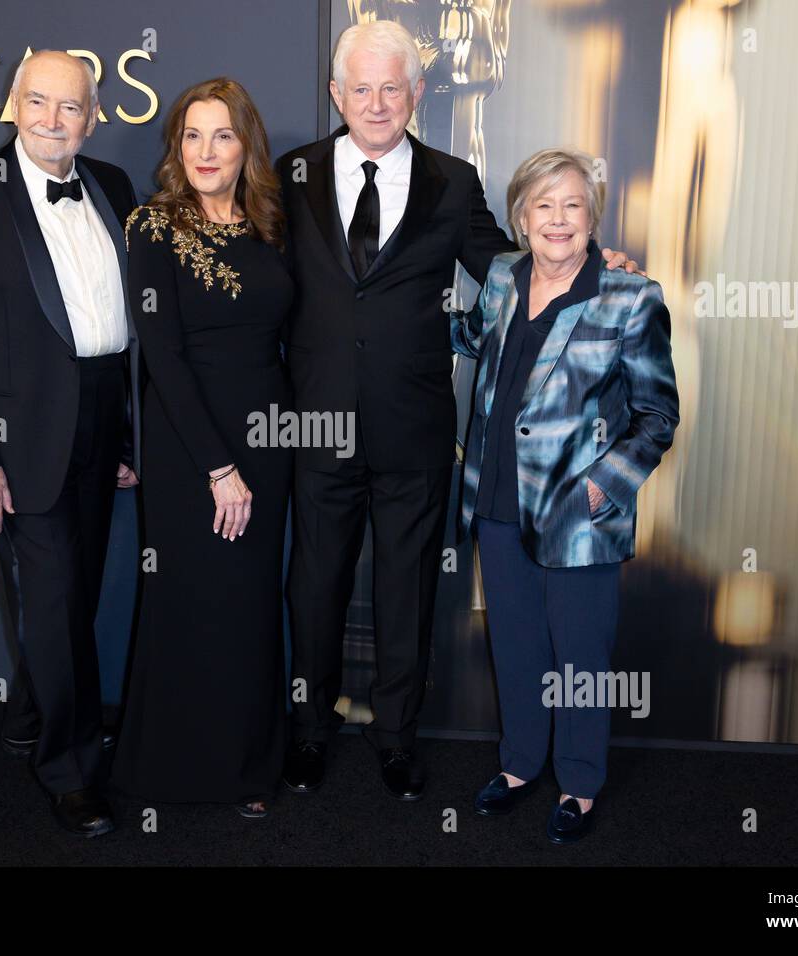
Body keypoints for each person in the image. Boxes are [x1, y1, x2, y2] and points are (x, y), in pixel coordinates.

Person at [275, 20, 638, 800]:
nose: (377, 103)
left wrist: (593, 264)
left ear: (417, 93)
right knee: (313, 589)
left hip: (414, 428)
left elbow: (511, 262)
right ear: (337, 95)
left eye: (392, 87)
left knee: (407, 592)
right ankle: (308, 733)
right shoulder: (292, 173)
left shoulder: (452, 178)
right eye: (361, 88)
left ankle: (397, 741)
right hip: (314, 424)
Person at [0, 50, 141, 838]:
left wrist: (126, 433)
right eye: (38, 103)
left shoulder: (111, 185)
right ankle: (71, 769)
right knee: (51, 601)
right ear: (13, 106)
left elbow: (125, 325)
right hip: (18, 439)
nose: (52, 120)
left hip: (100, 420)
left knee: (71, 594)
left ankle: (39, 710)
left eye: (70, 106)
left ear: (93, 115)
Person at [451, 147, 679, 844]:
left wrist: (597, 492)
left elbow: (657, 416)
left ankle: (579, 782)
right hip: (494, 498)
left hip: (577, 515)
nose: (557, 219)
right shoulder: (499, 277)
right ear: (520, 216)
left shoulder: (630, 295)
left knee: (580, 655)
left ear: (592, 218)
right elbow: (471, 338)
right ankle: (520, 765)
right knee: (517, 644)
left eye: (573, 205)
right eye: (543, 205)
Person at [111, 78, 294, 818]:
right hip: (192, 442)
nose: (206, 151)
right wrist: (219, 467)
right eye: (192, 135)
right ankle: (175, 764)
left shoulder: (271, 225)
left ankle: (250, 764)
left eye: (222, 135)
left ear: (246, 143)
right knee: (190, 599)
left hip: (270, 437)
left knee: (250, 604)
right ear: (175, 145)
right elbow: (164, 356)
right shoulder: (153, 227)